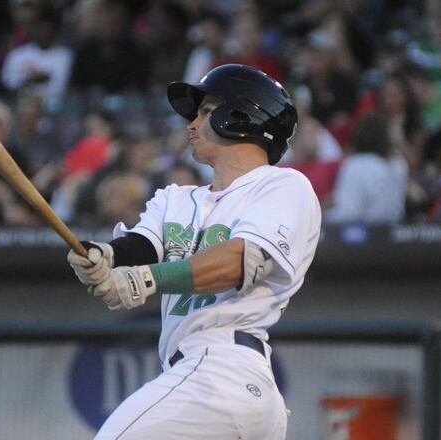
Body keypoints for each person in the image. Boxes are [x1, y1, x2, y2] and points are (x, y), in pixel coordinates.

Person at [67, 64, 321, 439]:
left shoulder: (282, 185)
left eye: (205, 112)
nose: (190, 125)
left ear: (242, 115)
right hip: (209, 382)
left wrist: (145, 280)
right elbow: (141, 248)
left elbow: (241, 260)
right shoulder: (176, 198)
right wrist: (104, 257)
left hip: (222, 367)